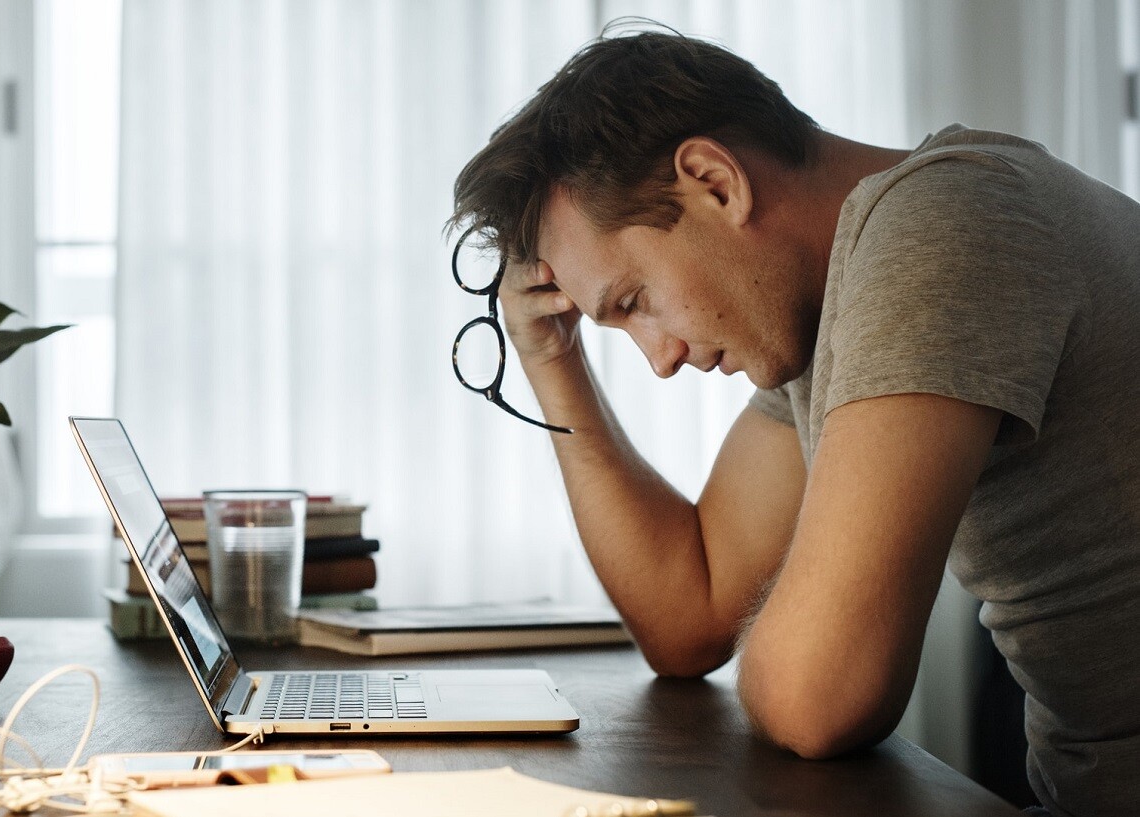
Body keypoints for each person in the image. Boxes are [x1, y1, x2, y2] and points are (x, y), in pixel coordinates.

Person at [448, 26, 1140, 817]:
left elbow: (821, 694)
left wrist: (800, 635)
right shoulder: (828, 306)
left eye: (634, 301)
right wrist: (550, 361)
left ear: (713, 181)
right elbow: (690, 615)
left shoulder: (946, 222)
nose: (659, 358)